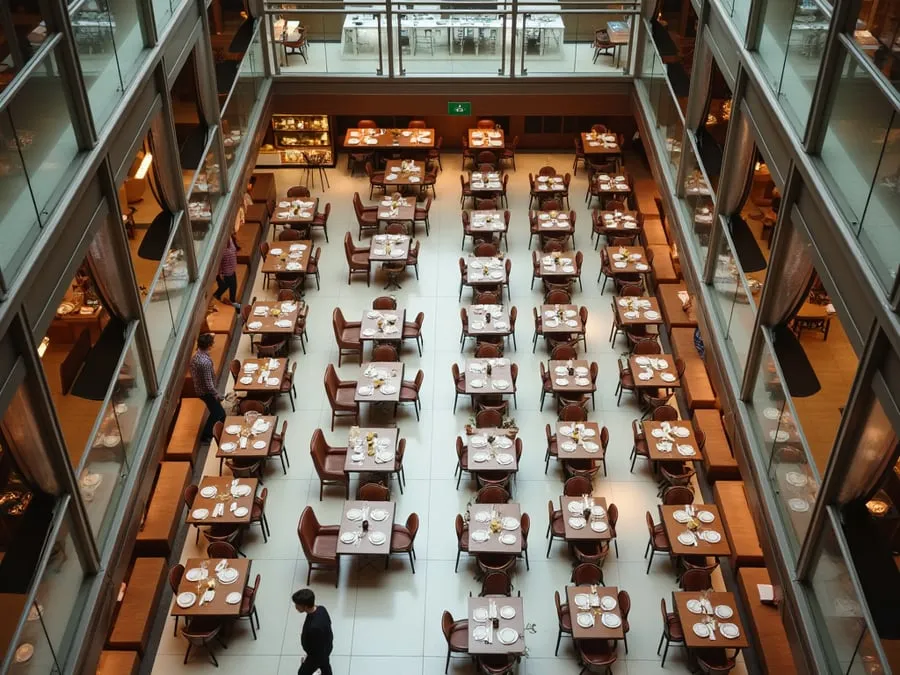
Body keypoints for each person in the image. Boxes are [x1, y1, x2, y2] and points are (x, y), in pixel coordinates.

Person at [191, 333, 226, 442]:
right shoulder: (205, 362)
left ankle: (222, 427)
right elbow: (208, 383)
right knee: (219, 413)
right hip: (206, 392)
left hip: (199, 388)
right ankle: (207, 434)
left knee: (216, 410)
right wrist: (216, 394)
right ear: (209, 345)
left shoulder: (196, 356)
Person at [293, 588, 333, 675]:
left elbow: (316, 649)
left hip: (317, 655)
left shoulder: (313, 628)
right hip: (327, 647)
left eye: (297, 604)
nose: (295, 607)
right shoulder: (322, 609)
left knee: (302, 673)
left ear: (305, 606)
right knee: (325, 665)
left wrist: (309, 655)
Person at [213, 234, 240, 308]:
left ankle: (220, 297)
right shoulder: (221, 251)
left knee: (232, 287)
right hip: (226, 274)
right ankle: (232, 304)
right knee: (227, 287)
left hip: (232, 272)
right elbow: (218, 263)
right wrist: (219, 274)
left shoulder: (230, 241)